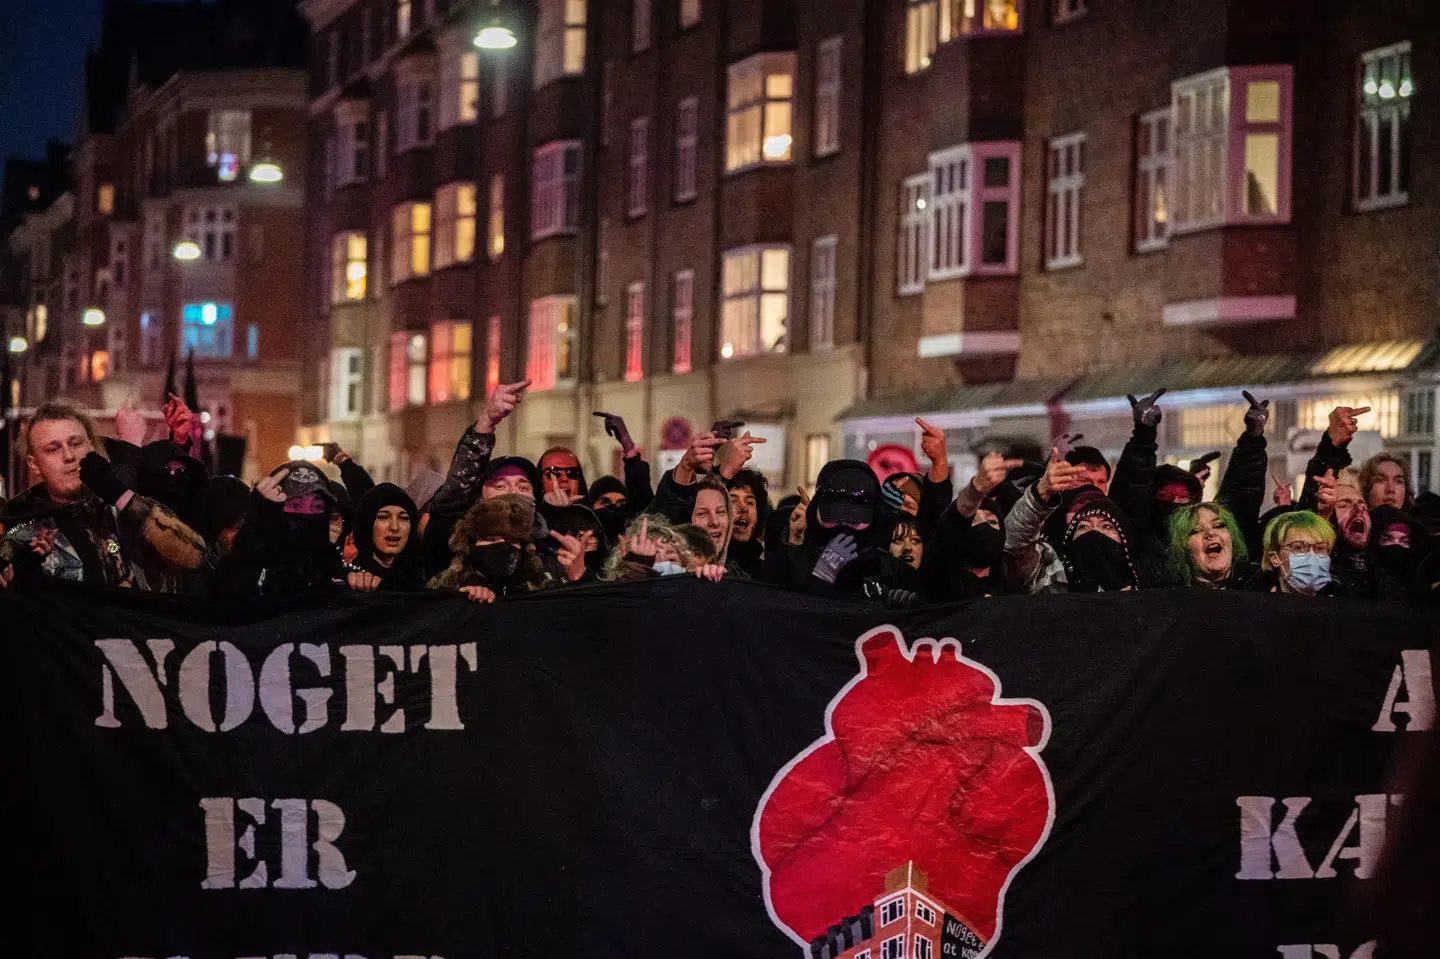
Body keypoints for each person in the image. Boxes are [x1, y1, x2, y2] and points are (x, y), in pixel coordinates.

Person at [0, 403, 207, 590]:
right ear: (34, 464)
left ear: (91, 446)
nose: (69, 456)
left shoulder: (127, 506)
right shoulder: (20, 531)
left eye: (75, 443)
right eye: (53, 449)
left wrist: (119, 495)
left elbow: (195, 556)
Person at [216, 462, 350, 598]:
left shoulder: (333, 569)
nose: (307, 513)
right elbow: (235, 591)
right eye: (296, 505)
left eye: (317, 506)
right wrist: (255, 526)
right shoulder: (255, 561)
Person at [427, 493, 585, 602]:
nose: (501, 545)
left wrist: (579, 577)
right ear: (470, 545)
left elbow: (579, 615)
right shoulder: (449, 584)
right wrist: (461, 600)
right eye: (490, 538)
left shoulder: (539, 588)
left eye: (511, 540)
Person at [923, 451, 1024, 601]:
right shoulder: (942, 579)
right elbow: (949, 525)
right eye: (974, 521)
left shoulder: (1013, 588)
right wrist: (975, 491)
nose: (984, 527)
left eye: (992, 522)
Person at [346, 483, 427, 591]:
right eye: (383, 517)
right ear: (367, 524)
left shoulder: (424, 577)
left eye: (403, 518)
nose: (394, 527)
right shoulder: (351, 579)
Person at [1165, 502, 1256, 589]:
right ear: (1182, 547)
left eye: (1218, 525)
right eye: (1196, 530)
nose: (1211, 533)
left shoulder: (1258, 591)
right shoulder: (1174, 600)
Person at [1254, 509, 1338, 596]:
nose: (1312, 556)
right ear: (1275, 558)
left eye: (1320, 548)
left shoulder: (1341, 599)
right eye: (1298, 547)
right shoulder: (1254, 604)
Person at [725, 468, 771, 578]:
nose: (743, 508)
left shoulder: (768, 573)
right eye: (733, 501)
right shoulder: (707, 567)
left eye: (750, 502)